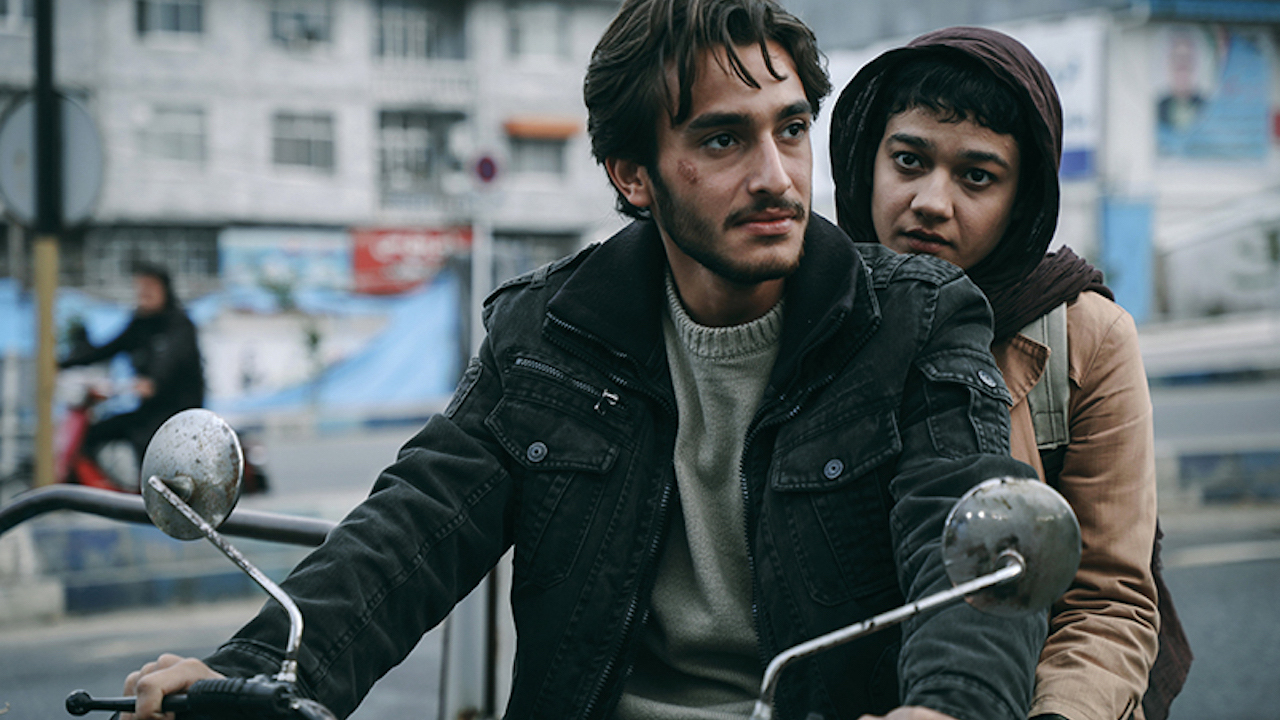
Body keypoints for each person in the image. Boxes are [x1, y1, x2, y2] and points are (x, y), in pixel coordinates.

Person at [122, 4, 1047, 719]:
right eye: (723, 139)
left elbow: (967, 533)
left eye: (792, 129)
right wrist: (253, 668)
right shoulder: (547, 334)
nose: (775, 175)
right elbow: (411, 527)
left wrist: (949, 705)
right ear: (632, 176)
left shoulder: (916, 319)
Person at [829, 27, 1171, 720]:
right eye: (909, 161)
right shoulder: (810, 312)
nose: (932, 200)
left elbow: (1106, 601)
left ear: (1024, 199)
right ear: (869, 161)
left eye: (977, 177)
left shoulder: (1086, 338)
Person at [59, 261, 205, 470]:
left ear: (165, 288)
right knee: (93, 434)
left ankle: (145, 488)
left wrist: (153, 382)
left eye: (150, 287)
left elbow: (171, 358)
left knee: (146, 443)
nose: (144, 293)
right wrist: (62, 364)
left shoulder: (179, 324)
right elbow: (108, 348)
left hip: (177, 415)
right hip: (147, 410)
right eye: (140, 287)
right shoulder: (139, 323)